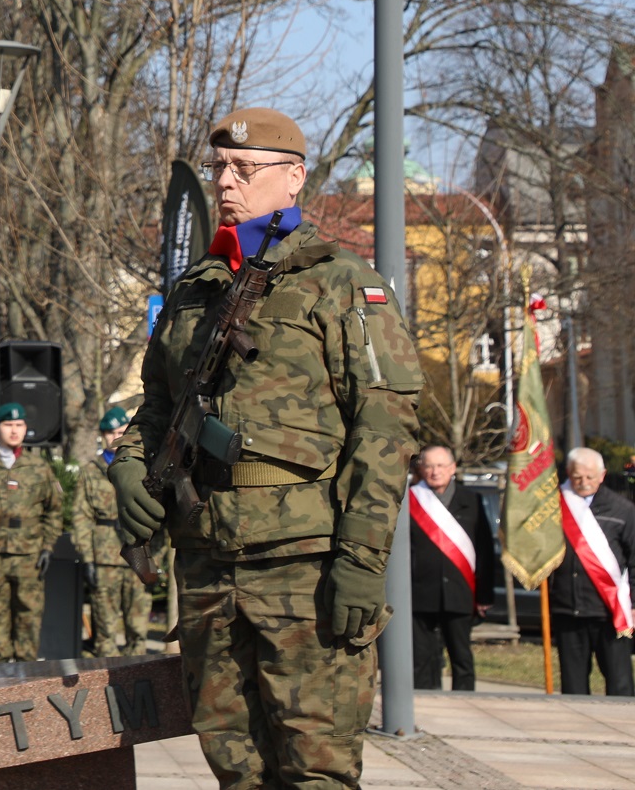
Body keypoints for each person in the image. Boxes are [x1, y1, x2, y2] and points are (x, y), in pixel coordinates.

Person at [110, 107, 420, 789]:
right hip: (208, 562)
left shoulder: (341, 283)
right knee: (235, 769)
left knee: (315, 771)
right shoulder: (193, 291)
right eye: (219, 167)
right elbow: (156, 406)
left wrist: (362, 560)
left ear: (294, 178)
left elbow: (385, 430)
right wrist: (128, 467)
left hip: (304, 567)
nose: (226, 182)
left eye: (245, 169)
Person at [0, 402, 63, 663]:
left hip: (29, 554)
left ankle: (27, 674)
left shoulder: (39, 467)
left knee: (29, 615)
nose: (14, 430)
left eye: (19, 425)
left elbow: (54, 511)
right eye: (8, 425)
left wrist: (47, 547)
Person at [546, 446, 635, 696]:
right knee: (573, 686)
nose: (584, 482)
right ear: (568, 473)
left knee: (620, 684)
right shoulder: (552, 506)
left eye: (590, 477)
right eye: (577, 477)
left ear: (602, 475)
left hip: (609, 612)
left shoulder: (623, 510)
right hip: (567, 608)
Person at [407, 444, 494, 689]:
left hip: (459, 591)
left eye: (440, 466)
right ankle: (424, 701)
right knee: (422, 657)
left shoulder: (472, 500)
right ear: (421, 469)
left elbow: (484, 550)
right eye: (429, 466)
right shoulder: (410, 500)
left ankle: (464, 701)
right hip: (421, 591)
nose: (435, 471)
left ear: (452, 468)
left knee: (461, 656)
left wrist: (485, 595)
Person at [76, 405, 150, 657]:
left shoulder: (144, 467)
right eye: (110, 433)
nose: (116, 437)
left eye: (121, 431)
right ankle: (105, 678)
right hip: (105, 557)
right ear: (102, 435)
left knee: (137, 628)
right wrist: (87, 559)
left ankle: (138, 676)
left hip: (138, 553)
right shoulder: (91, 471)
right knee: (105, 631)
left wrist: (158, 554)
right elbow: (81, 518)